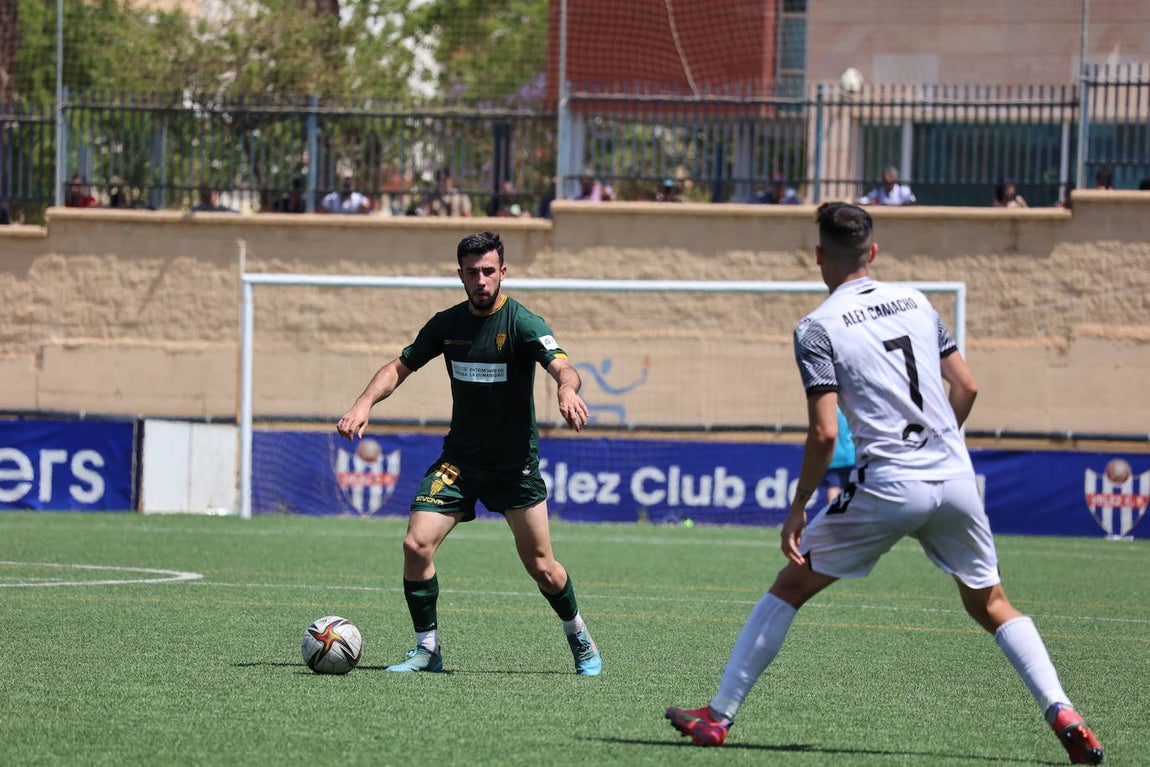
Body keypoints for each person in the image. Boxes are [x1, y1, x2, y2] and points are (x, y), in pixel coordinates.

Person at [665, 202, 1103, 766]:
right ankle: (1062, 710)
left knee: (790, 586)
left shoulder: (815, 328)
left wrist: (798, 505)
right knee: (991, 603)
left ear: (819, 255)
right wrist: (936, 444)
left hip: (889, 482)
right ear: (873, 252)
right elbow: (966, 387)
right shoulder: (919, 303)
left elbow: (825, 435)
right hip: (955, 477)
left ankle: (718, 715)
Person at [336, 230, 602, 677]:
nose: (481, 280)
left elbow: (564, 365)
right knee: (415, 545)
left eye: (488, 271)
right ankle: (427, 649)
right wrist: (364, 403)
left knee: (542, 568)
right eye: (472, 272)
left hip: (514, 467)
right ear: (460, 274)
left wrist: (565, 389)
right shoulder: (448, 324)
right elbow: (398, 367)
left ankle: (579, 637)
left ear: (503, 272)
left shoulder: (522, 323)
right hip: (459, 462)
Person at [819, 406, 854, 504]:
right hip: (850, 456)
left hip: (831, 457)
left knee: (833, 487)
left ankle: (832, 513)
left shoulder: (825, 410)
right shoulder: (849, 408)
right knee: (851, 488)